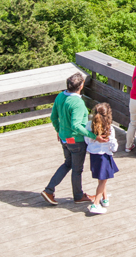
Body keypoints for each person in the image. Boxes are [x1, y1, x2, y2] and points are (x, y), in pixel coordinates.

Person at [41, 72, 102, 206]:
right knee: (77, 169)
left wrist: (59, 130)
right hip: (76, 141)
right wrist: (94, 136)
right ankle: (78, 196)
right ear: (81, 86)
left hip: (64, 138)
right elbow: (76, 125)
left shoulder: (60, 96)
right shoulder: (77, 103)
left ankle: (49, 190)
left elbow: (53, 117)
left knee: (68, 164)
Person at [84, 102, 119, 215]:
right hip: (105, 156)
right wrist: (112, 142)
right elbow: (114, 148)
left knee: (102, 179)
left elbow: (87, 140)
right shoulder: (110, 129)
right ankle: (96, 204)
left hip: (94, 155)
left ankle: (105, 198)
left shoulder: (89, 125)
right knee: (102, 181)